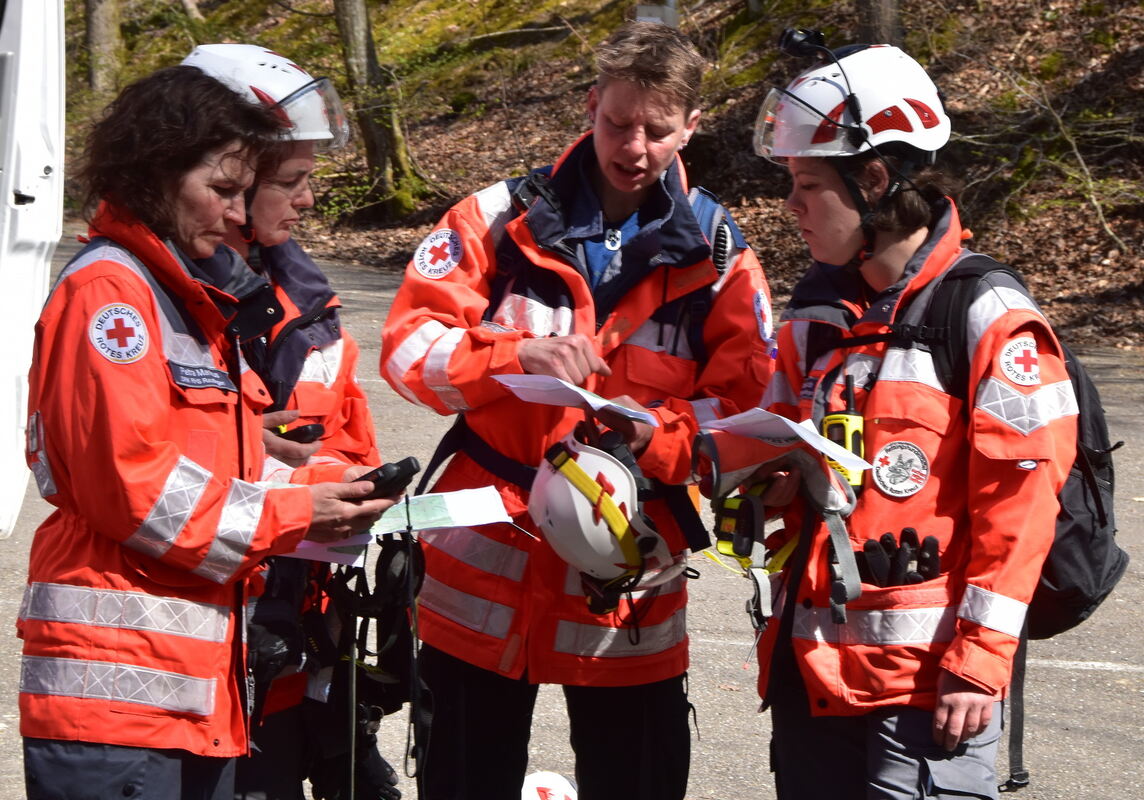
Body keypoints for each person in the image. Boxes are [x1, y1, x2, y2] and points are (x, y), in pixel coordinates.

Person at [381, 20, 776, 800]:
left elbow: (752, 416)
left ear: (691, 127)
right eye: (617, 123)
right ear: (591, 105)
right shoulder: (497, 219)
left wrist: (660, 438)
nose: (633, 147)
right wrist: (510, 358)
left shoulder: (721, 255)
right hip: (482, 574)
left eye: (657, 132)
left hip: (625, 582)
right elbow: (405, 348)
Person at [18, 65, 394, 800]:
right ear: (157, 175)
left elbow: (199, 465)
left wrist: (325, 486)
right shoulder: (114, 295)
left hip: (176, 698)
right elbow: (139, 491)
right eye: (221, 191)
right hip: (118, 708)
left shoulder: (180, 295)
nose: (234, 214)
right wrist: (301, 511)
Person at [746, 33, 1078, 798]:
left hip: (930, 695)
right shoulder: (814, 318)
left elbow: (1022, 508)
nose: (789, 204)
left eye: (805, 183)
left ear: (872, 178)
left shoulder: (987, 319)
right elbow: (772, 451)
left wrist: (979, 662)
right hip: (814, 680)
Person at [181, 43, 402, 800]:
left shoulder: (308, 300)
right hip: (210, 649)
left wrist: (350, 488)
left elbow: (348, 436)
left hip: (305, 636)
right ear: (230, 175)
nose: (308, 201)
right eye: (293, 181)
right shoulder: (165, 304)